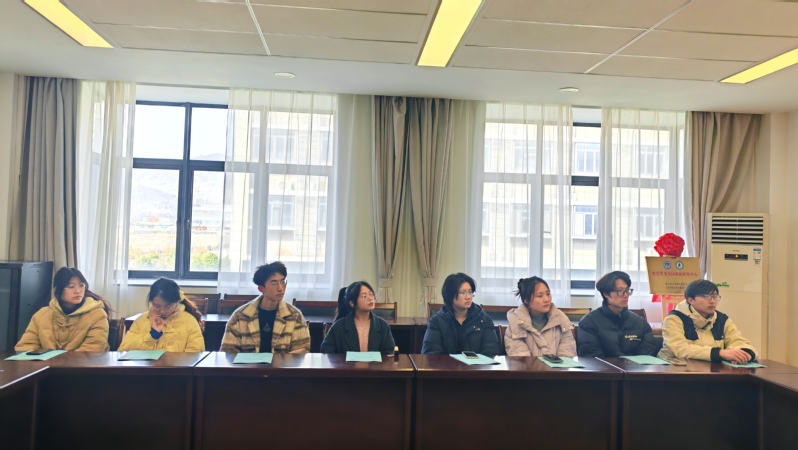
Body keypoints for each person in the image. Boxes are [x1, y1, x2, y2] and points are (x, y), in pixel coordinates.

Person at [220, 261, 310, 354]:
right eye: (274, 283)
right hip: (248, 364)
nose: (280, 288)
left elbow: (301, 350)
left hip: (283, 364)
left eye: (283, 282)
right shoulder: (240, 316)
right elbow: (228, 351)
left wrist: (279, 361)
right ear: (261, 288)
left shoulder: (294, 315)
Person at [659, 279, 757, 364]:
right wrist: (719, 353)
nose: (712, 301)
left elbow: (738, 341)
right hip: (675, 370)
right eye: (707, 296)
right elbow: (681, 350)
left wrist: (744, 355)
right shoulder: (674, 319)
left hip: (712, 370)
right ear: (691, 300)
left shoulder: (722, 320)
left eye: (715, 297)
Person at [16, 267, 112, 352]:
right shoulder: (42, 315)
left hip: (83, 366)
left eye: (81, 285)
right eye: (71, 287)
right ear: (57, 290)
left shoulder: (97, 315)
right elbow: (26, 347)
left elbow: (91, 351)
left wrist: (57, 362)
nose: (78, 291)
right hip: (46, 366)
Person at [577, 271, 657, 357]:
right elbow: (591, 357)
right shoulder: (589, 322)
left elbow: (647, 356)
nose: (625, 295)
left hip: (634, 366)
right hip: (603, 366)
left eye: (627, 290)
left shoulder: (640, 323)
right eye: (620, 291)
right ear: (605, 294)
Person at [421, 272, 500, 357]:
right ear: (450, 294)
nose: (468, 297)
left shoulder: (484, 320)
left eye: (470, 292)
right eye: (463, 292)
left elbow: (491, 353)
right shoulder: (437, 321)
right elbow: (431, 355)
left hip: (476, 365)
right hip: (446, 365)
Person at [119, 278, 205, 352]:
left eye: (168, 306)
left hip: (176, 367)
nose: (162, 311)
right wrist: (152, 336)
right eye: (156, 306)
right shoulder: (142, 320)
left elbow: (195, 354)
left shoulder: (189, 321)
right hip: (147, 367)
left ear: (177, 301)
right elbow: (123, 350)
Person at [505, 276, 576, 357]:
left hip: (558, 366)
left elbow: (567, 355)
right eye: (540, 296)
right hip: (528, 366)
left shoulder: (561, 319)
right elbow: (521, 360)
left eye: (548, 294)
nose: (546, 299)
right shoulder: (515, 324)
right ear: (526, 300)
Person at [320, 281, 395, 354]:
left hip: (376, 363)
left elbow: (389, 353)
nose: (370, 298)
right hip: (346, 363)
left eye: (371, 294)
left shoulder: (383, 326)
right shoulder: (338, 327)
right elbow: (326, 352)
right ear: (352, 303)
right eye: (364, 296)